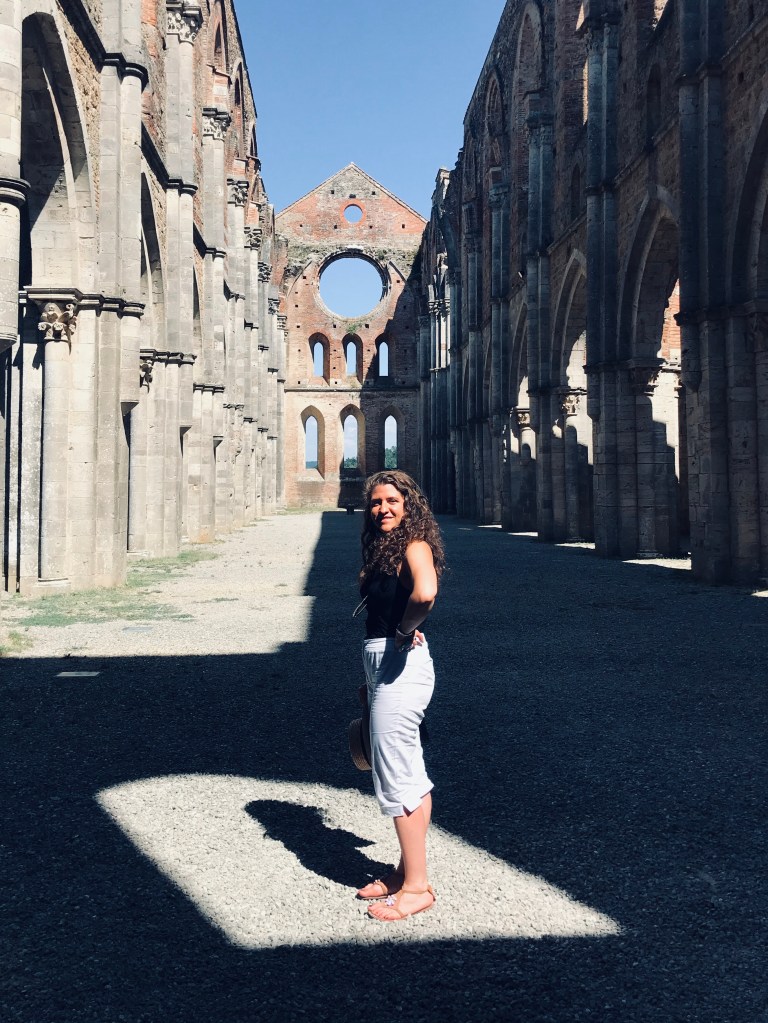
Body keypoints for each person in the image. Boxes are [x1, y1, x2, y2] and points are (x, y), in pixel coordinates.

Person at [354, 470, 445, 921]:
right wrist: (370, 680)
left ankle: (416, 888)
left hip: (401, 668)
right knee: (409, 770)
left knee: (396, 776)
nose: (382, 508)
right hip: (383, 668)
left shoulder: (414, 546)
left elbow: (426, 594)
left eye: (391, 501)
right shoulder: (383, 548)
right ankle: (405, 870)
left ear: (409, 505)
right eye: (375, 502)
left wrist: (404, 630)